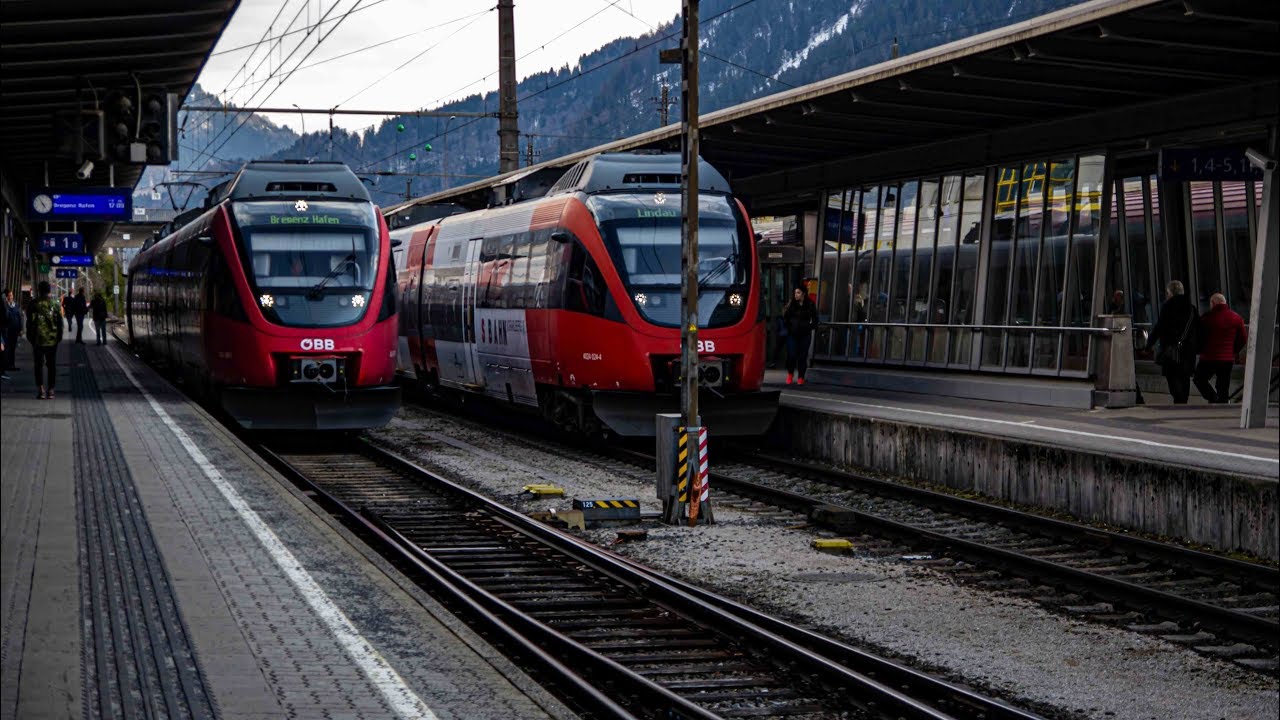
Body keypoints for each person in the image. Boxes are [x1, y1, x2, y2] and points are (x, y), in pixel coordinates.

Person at [1150, 280, 1198, 404]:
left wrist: (1149, 344)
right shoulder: (1192, 308)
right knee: (1185, 376)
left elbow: (1159, 327)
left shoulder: (1167, 306)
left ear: (1170, 292)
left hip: (1170, 349)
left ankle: (1178, 399)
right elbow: (1198, 329)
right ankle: (1183, 401)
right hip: (1188, 351)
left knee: (1172, 375)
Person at [1193, 293, 1245, 403]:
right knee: (1223, 386)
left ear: (1213, 303)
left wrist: (1199, 349)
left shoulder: (1207, 318)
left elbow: (1199, 336)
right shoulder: (1236, 318)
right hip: (1227, 359)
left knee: (1199, 379)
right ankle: (1223, 405)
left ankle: (1213, 398)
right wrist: (1233, 350)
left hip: (1208, 358)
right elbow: (1243, 339)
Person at [26, 280, 63, 400]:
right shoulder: (55, 304)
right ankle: (51, 390)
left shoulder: (33, 304)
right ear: (49, 290)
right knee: (51, 365)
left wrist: (31, 338)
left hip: (38, 340)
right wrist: (58, 337)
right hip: (52, 341)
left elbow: (29, 323)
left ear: (39, 290)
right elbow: (60, 323)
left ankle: (41, 389)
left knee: (38, 365)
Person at [782, 285, 818, 385]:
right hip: (792, 334)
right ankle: (790, 374)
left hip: (805, 334)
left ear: (803, 293)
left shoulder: (810, 304)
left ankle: (801, 377)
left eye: (798, 293)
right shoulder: (792, 304)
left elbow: (815, 318)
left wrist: (811, 326)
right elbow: (785, 317)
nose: (796, 295)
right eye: (795, 293)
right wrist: (789, 327)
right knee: (792, 355)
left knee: (803, 356)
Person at [2, 288, 21, 373]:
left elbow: (19, 317)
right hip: (7, 330)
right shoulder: (4, 306)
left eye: (11, 295)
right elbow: (5, 317)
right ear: (6, 297)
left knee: (13, 348)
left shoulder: (16, 305)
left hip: (15, 330)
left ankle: (12, 365)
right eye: (9, 296)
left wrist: (20, 329)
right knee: (7, 348)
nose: (11, 297)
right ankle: (7, 365)